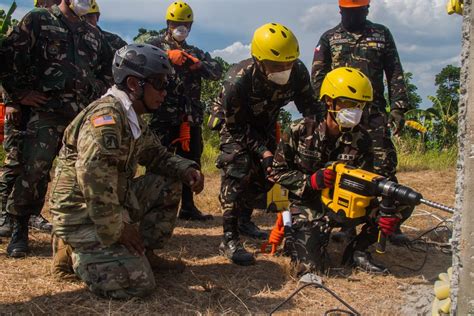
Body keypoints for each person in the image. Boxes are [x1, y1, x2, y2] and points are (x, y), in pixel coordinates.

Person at [50, 43, 204, 299]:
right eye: (159, 83)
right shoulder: (107, 118)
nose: (164, 92)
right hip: (83, 213)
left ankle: (143, 252)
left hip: (110, 205)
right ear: (134, 84)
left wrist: (187, 170)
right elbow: (91, 176)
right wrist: (118, 228)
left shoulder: (130, 117)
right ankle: (75, 253)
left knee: (169, 180)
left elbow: (156, 155)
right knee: (138, 284)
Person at [0, 0, 113, 257]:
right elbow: (8, 55)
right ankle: (19, 228)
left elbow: (109, 68)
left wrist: (95, 89)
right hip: (46, 112)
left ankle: (76, 233)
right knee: (34, 169)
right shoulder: (39, 20)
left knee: (82, 173)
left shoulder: (92, 33)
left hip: (81, 116)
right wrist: (18, 94)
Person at [214, 22, 324, 265]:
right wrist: (262, 151)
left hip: (266, 124)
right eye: (277, 65)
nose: (284, 69)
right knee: (238, 166)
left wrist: (318, 136)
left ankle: (245, 220)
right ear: (258, 60)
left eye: (289, 62)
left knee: (269, 175)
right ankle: (229, 238)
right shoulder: (237, 82)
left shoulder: (297, 72)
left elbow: (310, 109)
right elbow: (235, 126)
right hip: (237, 126)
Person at [273, 67, 400, 275]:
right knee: (311, 268)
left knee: (398, 203)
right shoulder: (299, 131)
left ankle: (358, 251)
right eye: (349, 103)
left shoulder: (362, 139)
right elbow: (276, 171)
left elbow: (366, 184)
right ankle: (299, 238)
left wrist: (383, 213)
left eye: (360, 105)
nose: (355, 110)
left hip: (346, 205)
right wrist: (310, 181)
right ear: (329, 101)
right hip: (309, 204)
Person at [311, 0, 411, 243]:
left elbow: (394, 71)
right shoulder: (329, 38)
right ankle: (346, 222)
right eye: (349, 11)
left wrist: (398, 108)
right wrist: (323, 113)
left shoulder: (381, 34)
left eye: (359, 10)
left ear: (367, 10)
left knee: (383, 166)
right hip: (342, 115)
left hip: (373, 113)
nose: (354, 14)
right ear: (341, 11)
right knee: (344, 165)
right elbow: (318, 77)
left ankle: (387, 223)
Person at [135, 1, 223, 221]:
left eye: (185, 24)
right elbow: (137, 61)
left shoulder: (196, 52)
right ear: (168, 23)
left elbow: (217, 72)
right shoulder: (154, 45)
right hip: (162, 116)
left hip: (189, 117)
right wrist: (167, 57)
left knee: (191, 160)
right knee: (156, 160)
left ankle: (188, 207)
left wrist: (199, 65)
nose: (181, 27)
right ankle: (149, 206)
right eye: (177, 23)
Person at [0, 0, 62, 240]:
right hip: (20, 109)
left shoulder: (57, 30)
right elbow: (8, 61)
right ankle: (5, 215)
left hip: (42, 110)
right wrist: (14, 98)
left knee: (40, 166)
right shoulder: (31, 22)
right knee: (15, 162)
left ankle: (32, 214)